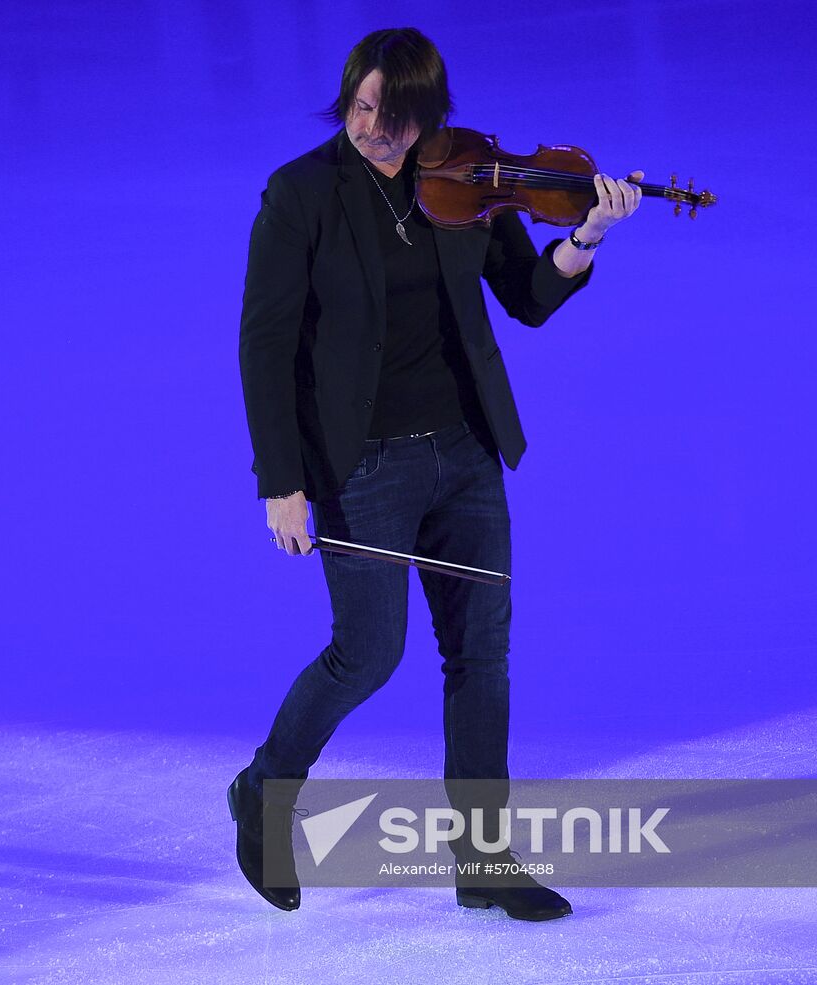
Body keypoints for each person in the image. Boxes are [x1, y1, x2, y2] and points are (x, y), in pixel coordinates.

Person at [228, 27, 642, 921]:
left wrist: (585, 236)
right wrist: (280, 481)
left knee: (481, 659)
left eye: (392, 115)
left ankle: (484, 861)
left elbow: (528, 300)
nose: (370, 127)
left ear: (430, 119)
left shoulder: (466, 178)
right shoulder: (300, 195)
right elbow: (263, 347)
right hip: (360, 467)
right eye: (361, 105)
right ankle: (261, 792)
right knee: (368, 654)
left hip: (463, 456)